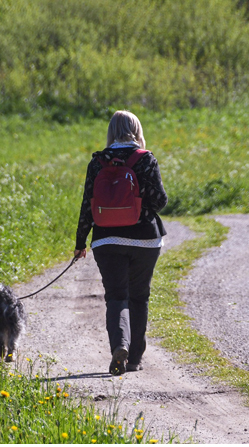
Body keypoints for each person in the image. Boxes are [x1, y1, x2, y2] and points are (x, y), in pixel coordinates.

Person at [74, 110, 168, 375]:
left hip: (107, 239)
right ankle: (135, 359)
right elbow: (160, 200)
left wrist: (81, 242)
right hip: (145, 241)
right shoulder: (145, 159)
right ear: (136, 130)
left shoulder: (97, 163)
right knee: (139, 297)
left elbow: (87, 205)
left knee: (116, 297)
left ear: (111, 132)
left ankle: (120, 346)